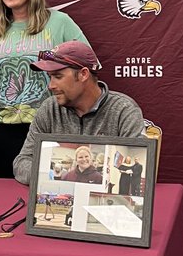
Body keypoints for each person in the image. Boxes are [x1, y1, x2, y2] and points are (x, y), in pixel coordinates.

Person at [0, 0, 89, 178]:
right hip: (1, 132)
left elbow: (86, 69)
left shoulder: (60, 23)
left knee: (49, 191)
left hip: (50, 128)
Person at [13, 41, 146, 186]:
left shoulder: (124, 110)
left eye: (58, 76)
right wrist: (50, 177)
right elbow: (22, 162)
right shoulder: (49, 108)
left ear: (83, 74)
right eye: (50, 77)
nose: (50, 86)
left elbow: (140, 163)